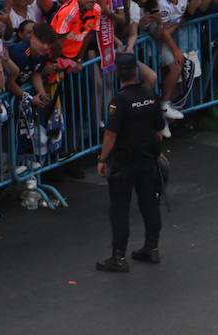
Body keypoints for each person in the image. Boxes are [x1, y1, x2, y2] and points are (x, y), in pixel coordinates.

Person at [94, 52, 163, 272]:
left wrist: (102, 159)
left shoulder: (119, 101)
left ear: (117, 73)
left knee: (119, 210)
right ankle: (151, 248)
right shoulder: (150, 95)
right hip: (146, 160)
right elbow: (158, 130)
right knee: (149, 204)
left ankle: (119, 257)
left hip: (124, 162)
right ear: (135, 71)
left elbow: (110, 135)